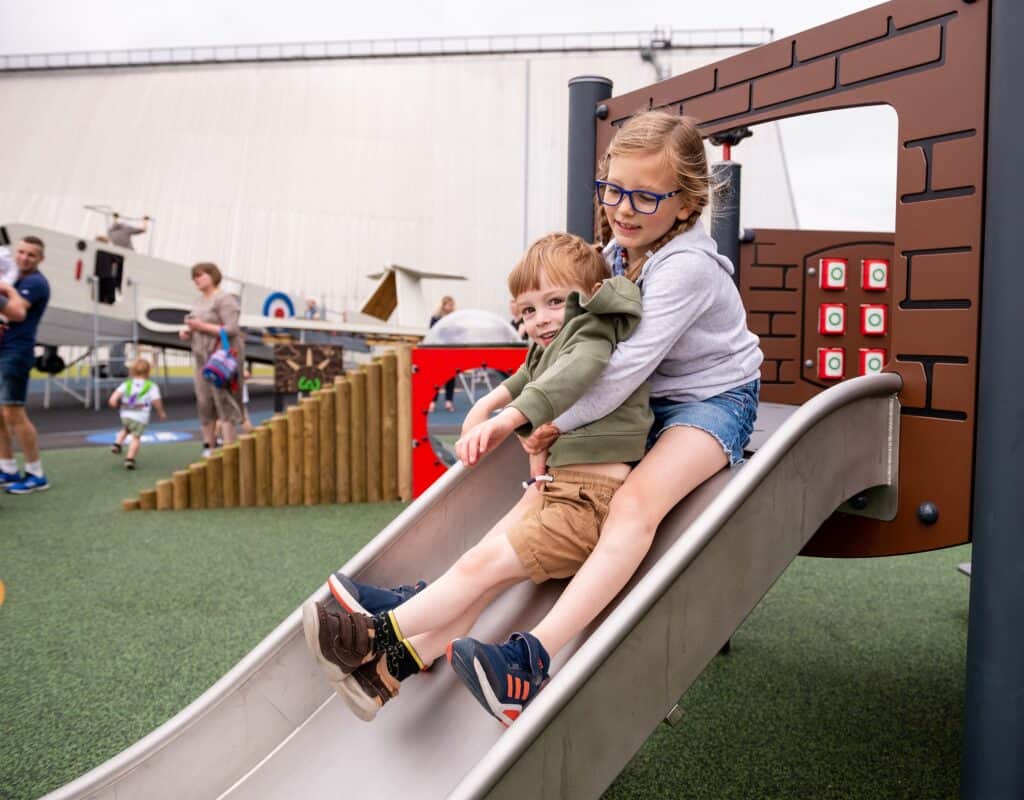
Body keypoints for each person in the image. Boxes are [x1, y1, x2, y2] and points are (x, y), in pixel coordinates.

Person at [302, 233, 654, 723]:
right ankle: (382, 677)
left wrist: (507, 418)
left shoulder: (591, 333)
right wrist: (489, 402)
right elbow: (528, 375)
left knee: (475, 572)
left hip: (587, 505)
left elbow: (573, 373)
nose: (541, 319)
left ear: (589, 294)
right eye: (528, 310)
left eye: (555, 302)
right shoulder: (551, 345)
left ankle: (372, 635)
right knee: (474, 575)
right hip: (557, 494)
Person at [0, 236, 52, 494]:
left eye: (31, 255)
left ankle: (35, 473)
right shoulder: (13, 277)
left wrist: (5, 287)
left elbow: (17, 310)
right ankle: (7, 468)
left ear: (40, 259)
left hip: (16, 352)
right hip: (3, 348)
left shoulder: (35, 282)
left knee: (14, 413)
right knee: (1, 414)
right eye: (20, 252)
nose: (24, 258)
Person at [178, 262, 245, 458]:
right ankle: (208, 445)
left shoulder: (225, 300)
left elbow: (232, 329)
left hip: (221, 359)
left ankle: (229, 448)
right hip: (201, 357)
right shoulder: (198, 301)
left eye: (201, 275)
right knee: (204, 401)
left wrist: (200, 326)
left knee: (223, 400)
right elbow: (198, 325)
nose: (197, 279)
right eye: (194, 276)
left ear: (213, 276)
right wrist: (188, 331)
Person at [108, 358, 167, 469]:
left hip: (125, 414)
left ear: (132, 371)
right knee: (136, 437)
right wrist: (161, 412)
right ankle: (130, 459)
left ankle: (117, 443)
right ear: (148, 372)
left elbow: (114, 396)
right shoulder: (151, 386)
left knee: (126, 429)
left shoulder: (127, 384)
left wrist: (113, 401)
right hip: (140, 416)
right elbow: (156, 401)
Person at [427, 295, 457, 413]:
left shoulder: (454, 318)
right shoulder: (435, 318)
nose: (451, 307)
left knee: (451, 376)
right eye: (449, 304)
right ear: (443, 305)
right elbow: (432, 333)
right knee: (436, 376)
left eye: (452, 305)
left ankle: (449, 401)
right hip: (438, 350)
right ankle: (433, 401)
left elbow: (457, 333)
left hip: (451, 350)